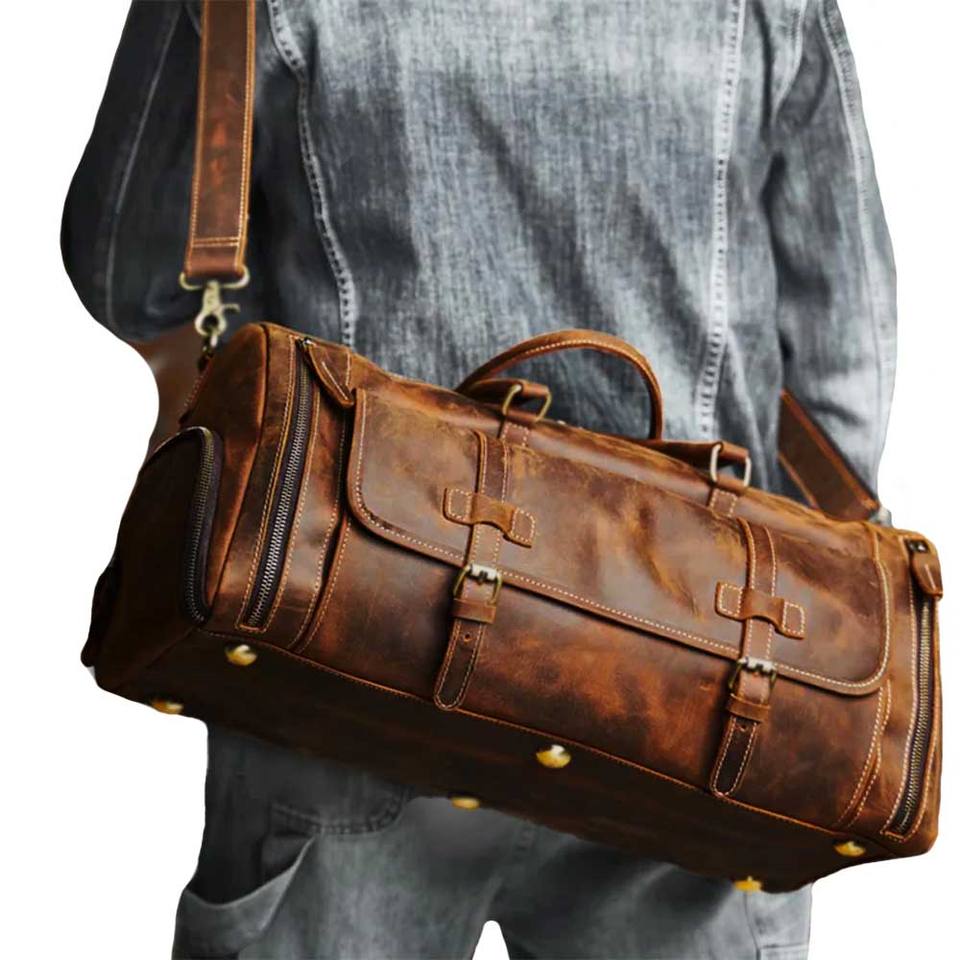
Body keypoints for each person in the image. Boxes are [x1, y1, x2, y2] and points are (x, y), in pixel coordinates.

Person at [62, 1, 895, 957]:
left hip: (342, 644)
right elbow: (843, 357)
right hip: (696, 692)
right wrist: (807, 642)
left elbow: (131, 268)